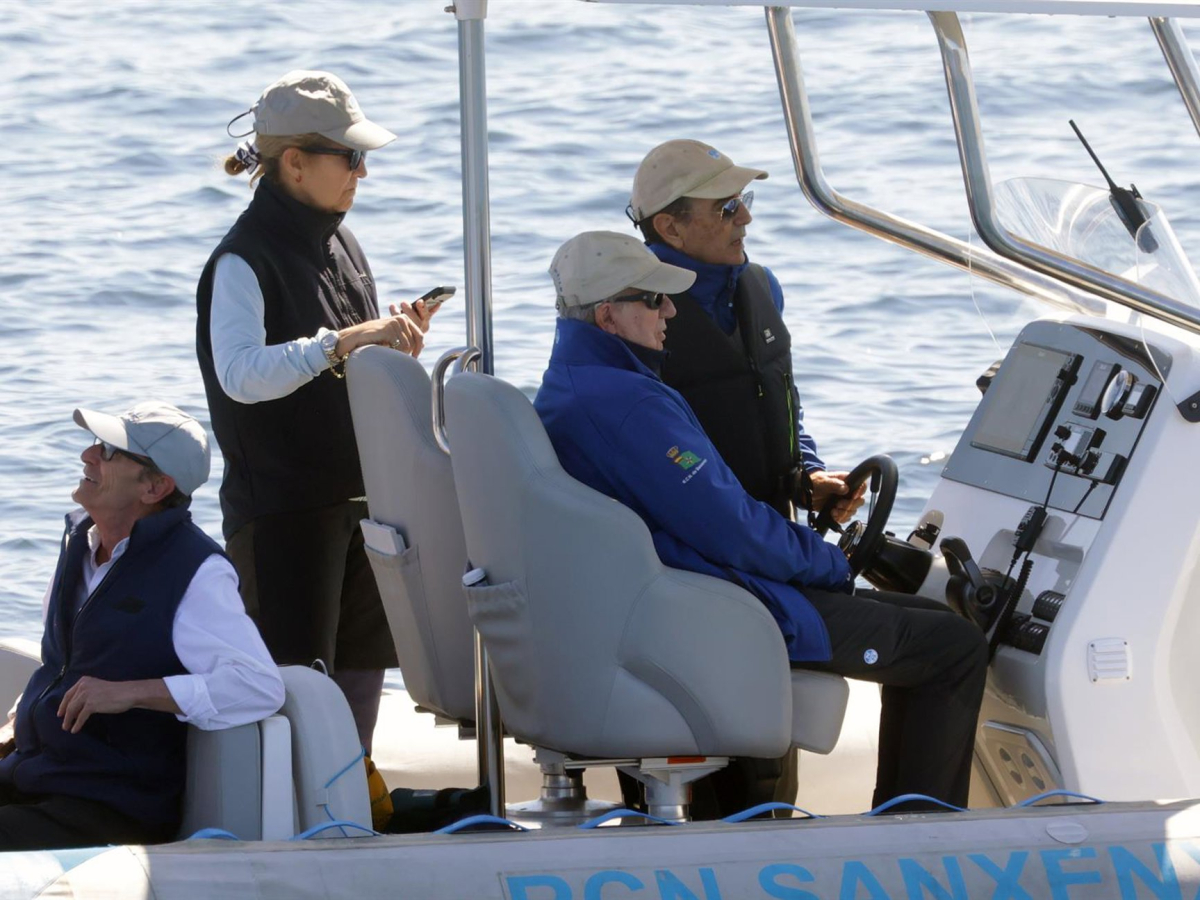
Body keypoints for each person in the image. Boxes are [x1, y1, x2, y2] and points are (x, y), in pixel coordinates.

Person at [534, 232, 988, 813]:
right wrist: (831, 565)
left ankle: (902, 827)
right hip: (712, 612)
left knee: (934, 626)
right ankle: (919, 839)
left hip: (668, 598)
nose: (670, 310)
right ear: (607, 317)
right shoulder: (628, 403)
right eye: (654, 299)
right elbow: (731, 526)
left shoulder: (575, 383)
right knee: (952, 646)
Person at [196, 71, 435, 753]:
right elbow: (240, 376)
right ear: (295, 163)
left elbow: (343, 362)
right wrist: (343, 342)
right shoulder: (241, 259)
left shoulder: (343, 243)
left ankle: (353, 802)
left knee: (359, 681)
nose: (363, 172)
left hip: (360, 504)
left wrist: (390, 349)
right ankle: (304, 814)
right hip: (284, 518)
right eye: (350, 156)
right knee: (296, 697)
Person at [627, 139, 865, 814]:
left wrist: (806, 476)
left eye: (744, 202)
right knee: (703, 765)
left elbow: (781, 404)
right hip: (682, 575)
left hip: (768, 554)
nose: (746, 219)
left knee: (767, 774)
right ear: (669, 227)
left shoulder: (760, 287)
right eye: (727, 207)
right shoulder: (632, 314)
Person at [0, 402, 285, 850]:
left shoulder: (197, 571)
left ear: (155, 487)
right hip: (35, 774)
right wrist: (22, 718)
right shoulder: (79, 542)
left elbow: (259, 686)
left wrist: (130, 692)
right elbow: (64, 663)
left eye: (108, 452)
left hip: (109, 805)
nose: (87, 455)